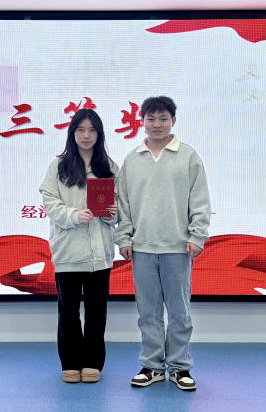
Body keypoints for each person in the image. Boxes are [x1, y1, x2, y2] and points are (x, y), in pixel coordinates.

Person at [115, 96, 211, 391]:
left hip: (178, 248)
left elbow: (200, 200)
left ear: (173, 121)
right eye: (151, 118)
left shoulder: (188, 156)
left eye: (163, 119)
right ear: (142, 121)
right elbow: (123, 204)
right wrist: (123, 237)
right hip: (142, 248)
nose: (157, 124)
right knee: (148, 313)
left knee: (180, 312)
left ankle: (180, 367)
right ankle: (152, 366)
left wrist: (197, 235)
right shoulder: (133, 159)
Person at [39, 108, 119, 384]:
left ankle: (93, 362)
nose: (86, 136)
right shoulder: (59, 166)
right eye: (81, 130)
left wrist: (112, 214)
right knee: (68, 311)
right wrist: (74, 215)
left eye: (92, 130)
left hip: (99, 253)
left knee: (97, 311)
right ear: (72, 133)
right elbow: (50, 201)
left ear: (99, 134)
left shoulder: (109, 166)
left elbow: (122, 205)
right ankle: (71, 363)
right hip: (68, 251)